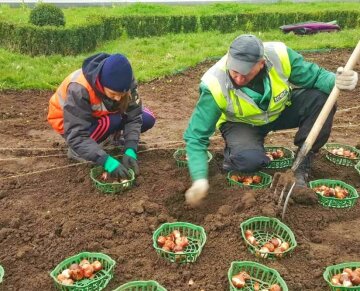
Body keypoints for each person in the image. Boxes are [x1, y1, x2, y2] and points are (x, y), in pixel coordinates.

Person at [184, 34, 358, 206]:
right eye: (234, 71)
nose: (238, 78)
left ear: (261, 63)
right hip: (241, 123)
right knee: (248, 160)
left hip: (279, 110)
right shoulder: (214, 84)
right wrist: (199, 179)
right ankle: (238, 154)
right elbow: (196, 136)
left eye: (245, 73)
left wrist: (337, 81)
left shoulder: (279, 56)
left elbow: (316, 77)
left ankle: (302, 164)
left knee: (321, 98)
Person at [48, 53, 156, 178]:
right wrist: (106, 161)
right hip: (69, 125)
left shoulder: (126, 79)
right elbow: (76, 134)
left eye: (122, 94)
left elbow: (134, 116)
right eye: (113, 93)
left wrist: (131, 148)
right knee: (113, 120)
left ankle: (110, 139)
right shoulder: (79, 89)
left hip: (100, 116)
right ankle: (77, 151)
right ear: (101, 84)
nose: (118, 98)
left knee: (147, 118)